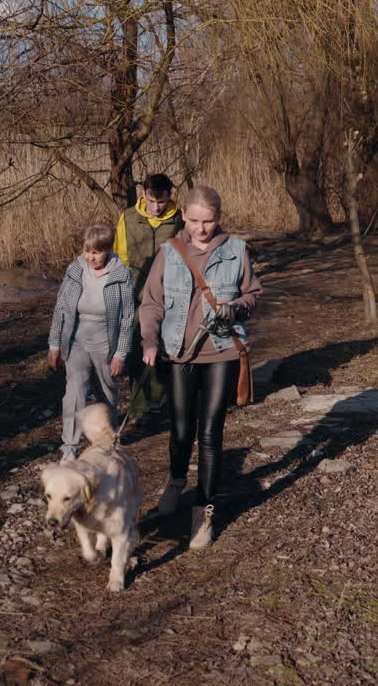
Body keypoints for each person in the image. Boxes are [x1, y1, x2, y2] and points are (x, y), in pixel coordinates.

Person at [139, 186, 262, 548]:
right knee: (180, 429)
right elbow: (151, 303)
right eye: (194, 220)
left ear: (218, 218)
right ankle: (177, 480)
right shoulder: (169, 252)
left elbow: (253, 293)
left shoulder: (237, 249)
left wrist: (237, 307)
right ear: (184, 217)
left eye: (208, 221)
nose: (201, 229)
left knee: (210, 432)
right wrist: (149, 341)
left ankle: (202, 511)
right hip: (178, 352)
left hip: (221, 351)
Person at [48, 223, 136, 463]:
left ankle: (109, 441)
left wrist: (120, 353)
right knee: (74, 392)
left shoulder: (121, 274)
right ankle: (70, 446)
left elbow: (128, 317)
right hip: (76, 339)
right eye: (87, 251)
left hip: (106, 341)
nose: (91, 257)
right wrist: (54, 344)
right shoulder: (75, 270)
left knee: (107, 393)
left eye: (96, 252)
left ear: (107, 249)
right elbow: (61, 309)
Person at [116, 174, 184, 426]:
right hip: (135, 292)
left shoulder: (180, 220)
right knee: (137, 348)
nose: (157, 207)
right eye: (152, 200)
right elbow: (120, 256)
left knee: (166, 345)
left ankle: (160, 398)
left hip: (171, 292)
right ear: (144, 194)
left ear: (169, 196)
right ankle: (139, 405)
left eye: (162, 201)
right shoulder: (128, 217)